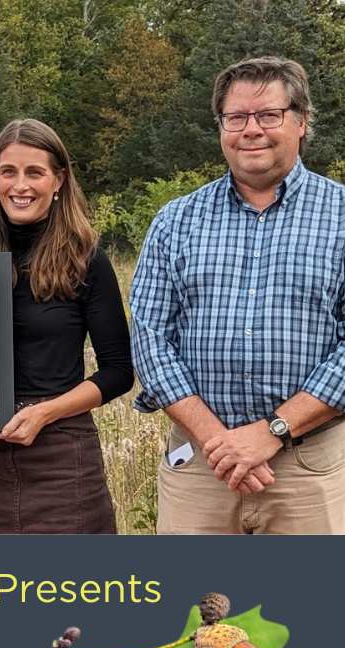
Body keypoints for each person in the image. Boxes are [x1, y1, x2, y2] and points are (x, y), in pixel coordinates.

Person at [130, 56, 345, 535]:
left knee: (310, 608)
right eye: (236, 117)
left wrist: (274, 430)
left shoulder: (341, 215)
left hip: (309, 469)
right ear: (222, 126)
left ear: (301, 120)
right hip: (201, 472)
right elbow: (149, 341)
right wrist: (220, 442)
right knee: (190, 608)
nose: (252, 130)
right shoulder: (175, 221)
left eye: (268, 115)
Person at [0, 119, 133, 534]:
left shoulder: (86, 259)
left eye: (35, 172)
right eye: (8, 171)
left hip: (62, 454)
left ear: (59, 179)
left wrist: (43, 413)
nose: (21, 185)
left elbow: (119, 372)